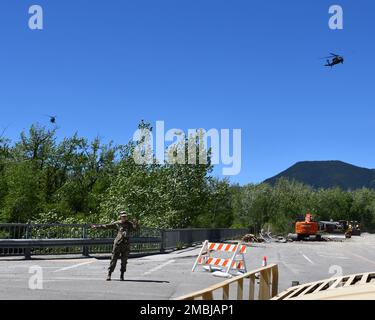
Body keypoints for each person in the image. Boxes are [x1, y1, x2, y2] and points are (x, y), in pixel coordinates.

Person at [92, 211, 139, 281]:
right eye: (123, 216)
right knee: (113, 259)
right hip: (118, 244)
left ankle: (122, 275)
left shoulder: (129, 224)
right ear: (120, 216)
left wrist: (136, 224)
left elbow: (136, 229)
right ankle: (109, 274)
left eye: (125, 216)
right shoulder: (117, 223)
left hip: (126, 245)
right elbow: (107, 226)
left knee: (124, 261)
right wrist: (97, 226)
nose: (124, 217)